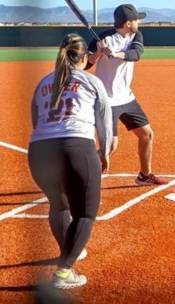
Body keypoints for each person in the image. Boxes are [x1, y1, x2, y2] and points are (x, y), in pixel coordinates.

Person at [29, 34, 114, 289]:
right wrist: (105, 151)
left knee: (59, 205)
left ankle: (68, 250)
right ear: (84, 57)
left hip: (39, 150)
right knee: (85, 213)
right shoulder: (91, 81)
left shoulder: (44, 82)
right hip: (76, 148)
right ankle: (64, 272)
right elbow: (105, 120)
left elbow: (35, 120)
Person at [86, 4, 169, 186]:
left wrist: (116, 53)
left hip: (127, 97)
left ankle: (144, 175)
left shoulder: (135, 36)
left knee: (147, 135)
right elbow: (85, 64)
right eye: (137, 19)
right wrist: (98, 54)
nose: (139, 22)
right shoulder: (103, 38)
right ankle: (81, 174)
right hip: (106, 101)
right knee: (110, 147)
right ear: (129, 23)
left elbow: (136, 54)